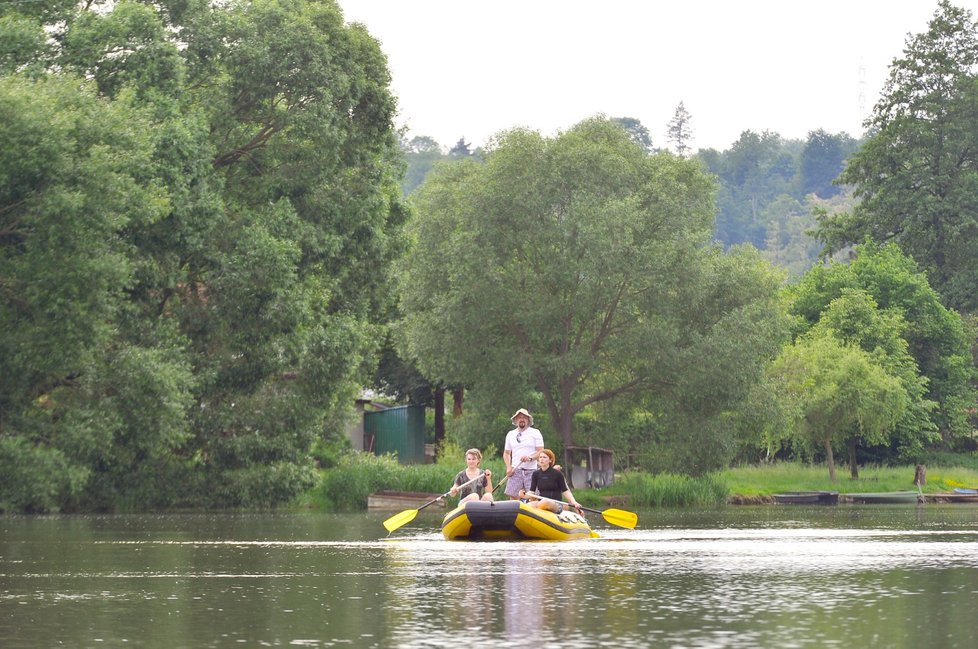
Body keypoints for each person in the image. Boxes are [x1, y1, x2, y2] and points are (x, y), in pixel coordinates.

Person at [519, 448, 582, 515]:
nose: (541, 459)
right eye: (540, 457)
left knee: (544, 502)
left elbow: (565, 491)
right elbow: (531, 491)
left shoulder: (557, 474)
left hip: (556, 504)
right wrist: (524, 495)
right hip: (541, 502)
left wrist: (574, 502)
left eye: (544, 457)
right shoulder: (535, 474)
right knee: (527, 506)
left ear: (550, 460)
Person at [502, 407, 544, 499]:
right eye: (519, 417)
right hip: (515, 470)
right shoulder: (510, 434)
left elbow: (541, 451)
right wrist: (508, 467)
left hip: (532, 471)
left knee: (533, 497)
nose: (522, 419)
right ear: (516, 420)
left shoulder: (535, 433)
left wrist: (530, 458)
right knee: (513, 497)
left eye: (524, 417)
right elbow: (506, 453)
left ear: (528, 420)